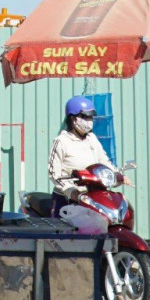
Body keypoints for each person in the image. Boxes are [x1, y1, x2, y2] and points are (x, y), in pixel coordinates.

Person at [47, 96, 112, 234]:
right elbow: (53, 173)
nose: (89, 122)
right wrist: (71, 191)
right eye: (85, 117)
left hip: (90, 197)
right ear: (73, 119)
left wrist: (116, 174)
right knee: (62, 239)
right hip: (66, 200)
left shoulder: (92, 139)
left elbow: (104, 161)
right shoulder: (61, 141)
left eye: (91, 118)